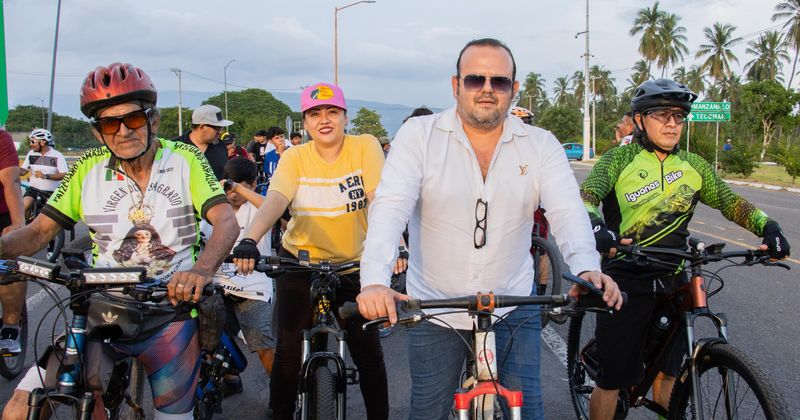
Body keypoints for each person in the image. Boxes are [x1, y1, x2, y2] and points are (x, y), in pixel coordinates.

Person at [356, 38, 622, 420]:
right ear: (456, 85)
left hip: (513, 303)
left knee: (529, 411)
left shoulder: (540, 144)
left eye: (499, 81)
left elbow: (567, 210)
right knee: (427, 412)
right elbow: (390, 208)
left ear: (513, 89)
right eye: (474, 79)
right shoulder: (419, 135)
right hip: (435, 306)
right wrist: (374, 281)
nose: (486, 89)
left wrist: (586, 267)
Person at [0, 62, 239, 420]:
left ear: (154, 120)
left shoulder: (185, 159)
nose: (124, 131)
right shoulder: (87, 168)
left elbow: (226, 221)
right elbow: (38, 232)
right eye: (110, 124)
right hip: (102, 309)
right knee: (20, 408)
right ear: (98, 133)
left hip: (170, 312)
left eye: (134, 119)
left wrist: (201, 271)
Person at [580, 78, 791, 420]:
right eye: (661, 114)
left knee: (669, 375)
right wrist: (597, 228)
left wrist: (769, 227)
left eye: (678, 116)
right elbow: (586, 196)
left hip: (674, 278)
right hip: (626, 279)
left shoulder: (693, 165)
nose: (672, 123)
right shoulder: (619, 159)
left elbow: (730, 202)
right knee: (611, 382)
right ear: (640, 120)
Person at [232, 82, 400, 420]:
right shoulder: (295, 156)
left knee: (368, 354)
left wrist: (398, 247)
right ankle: (280, 413)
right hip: (300, 263)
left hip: (354, 265)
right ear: (305, 122)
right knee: (289, 352)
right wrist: (249, 239)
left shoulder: (365, 146)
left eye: (332, 112)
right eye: (315, 114)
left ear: (345, 117)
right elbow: (276, 200)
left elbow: (379, 201)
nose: (324, 120)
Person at [200, 157, 275, 396]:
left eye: (241, 187)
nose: (233, 194)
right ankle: (231, 380)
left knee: (261, 342)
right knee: (208, 340)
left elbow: (274, 209)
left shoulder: (258, 208)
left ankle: (281, 395)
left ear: (253, 185)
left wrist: (239, 188)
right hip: (217, 284)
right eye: (230, 187)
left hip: (253, 286)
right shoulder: (213, 209)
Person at [0, 129, 26, 355]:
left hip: (1, 214)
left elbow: (11, 180)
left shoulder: (1, 139)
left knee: (9, 265)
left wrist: (18, 224)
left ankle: (10, 328)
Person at [19, 128, 68, 218]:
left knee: (50, 216)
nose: (31, 145)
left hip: (50, 192)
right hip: (33, 190)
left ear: (42, 142)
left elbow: (64, 174)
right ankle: (28, 224)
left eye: (33, 142)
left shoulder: (58, 156)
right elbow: (23, 171)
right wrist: (13, 169)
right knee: (22, 207)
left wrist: (46, 176)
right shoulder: (31, 154)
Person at [174, 104, 233, 179]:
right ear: (202, 127)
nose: (220, 132)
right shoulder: (175, 147)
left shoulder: (221, 145)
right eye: (218, 128)